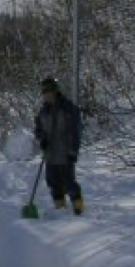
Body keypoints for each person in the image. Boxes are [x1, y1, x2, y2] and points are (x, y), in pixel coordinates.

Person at [34, 76, 84, 214]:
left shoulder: (68, 109)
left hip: (65, 152)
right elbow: (38, 129)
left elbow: (75, 131)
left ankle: (78, 207)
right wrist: (42, 139)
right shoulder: (43, 111)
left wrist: (73, 151)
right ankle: (60, 208)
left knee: (69, 182)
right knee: (52, 182)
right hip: (50, 154)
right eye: (44, 92)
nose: (46, 95)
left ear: (55, 91)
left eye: (49, 91)